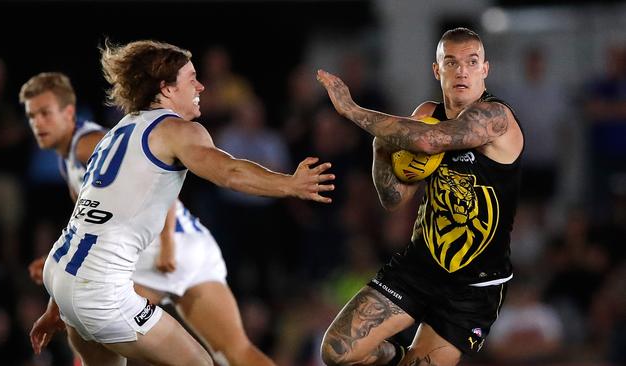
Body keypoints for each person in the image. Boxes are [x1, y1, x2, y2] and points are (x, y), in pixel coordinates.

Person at [28, 39, 335, 366]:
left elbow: (84, 221)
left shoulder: (115, 135)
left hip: (61, 275)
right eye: (192, 78)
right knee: (201, 362)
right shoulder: (176, 130)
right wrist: (289, 183)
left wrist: (56, 304)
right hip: (104, 288)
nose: (201, 85)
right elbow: (229, 171)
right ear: (166, 88)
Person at [316, 27, 523, 365]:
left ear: (485, 69)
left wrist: (352, 111)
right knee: (336, 351)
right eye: (452, 62)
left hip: (473, 286)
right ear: (436, 70)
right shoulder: (425, 115)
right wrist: (381, 145)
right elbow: (393, 197)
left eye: (472, 62)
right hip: (419, 266)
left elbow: (430, 141)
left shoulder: (496, 117)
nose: (462, 71)